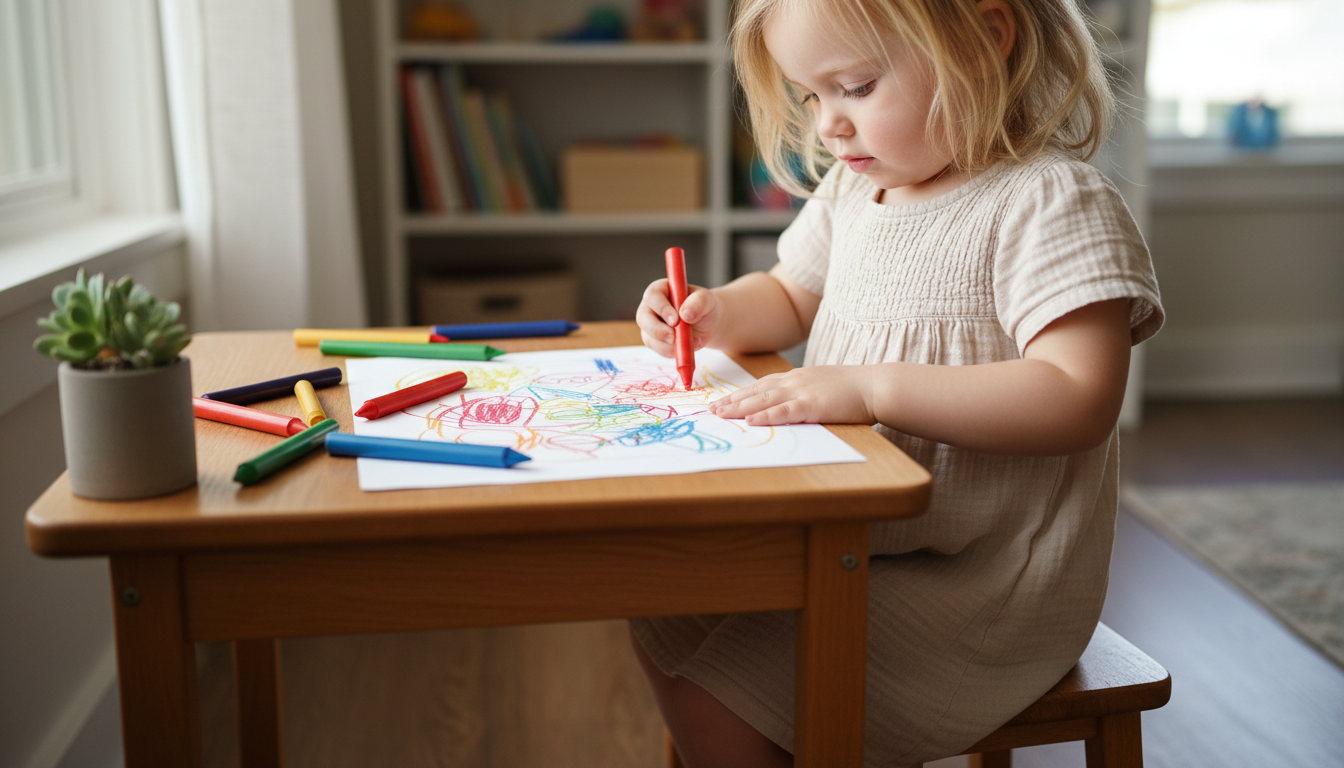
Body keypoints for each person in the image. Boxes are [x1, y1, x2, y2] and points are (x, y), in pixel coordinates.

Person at [630, 0, 1164, 766]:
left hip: (981, 584)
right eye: (812, 96)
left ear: (984, 39)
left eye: (855, 85)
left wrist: (873, 388)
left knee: (721, 686)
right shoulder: (855, 193)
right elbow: (787, 296)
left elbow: (1076, 397)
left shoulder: (1050, 203)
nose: (827, 127)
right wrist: (712, 314)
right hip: (856, 539)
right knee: (664, 611)